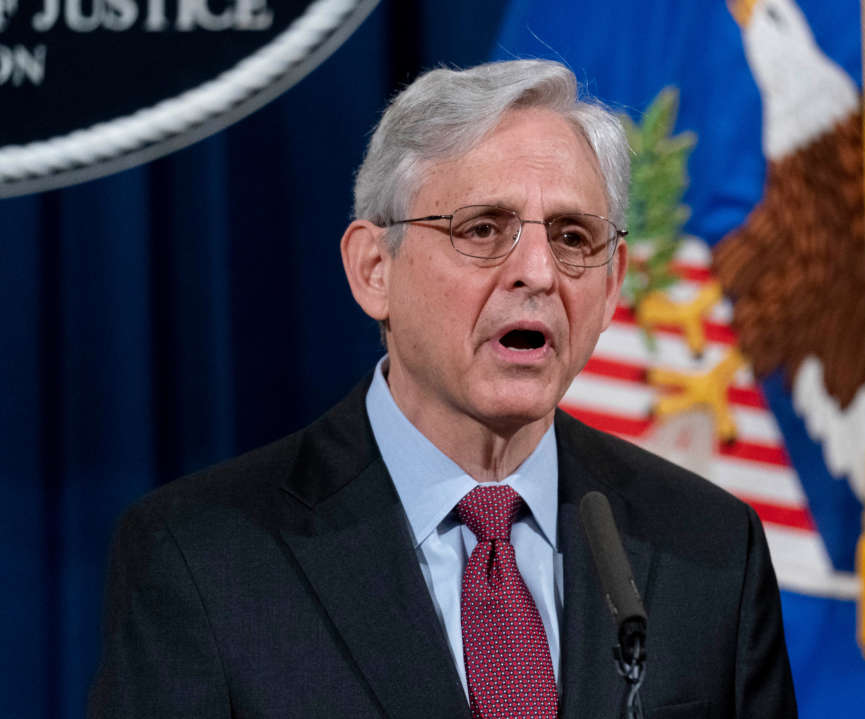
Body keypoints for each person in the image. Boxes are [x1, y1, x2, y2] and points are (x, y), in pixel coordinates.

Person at [88, 59, 797, 719]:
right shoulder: (202, 558)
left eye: (572, 236)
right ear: (374, 269)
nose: (538, 273)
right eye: (483, 228)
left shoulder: (709, 550)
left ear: (613, 288)